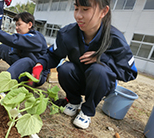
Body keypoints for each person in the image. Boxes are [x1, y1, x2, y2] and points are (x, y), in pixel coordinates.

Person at [34, 0, 138, 129]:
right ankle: (74, 101)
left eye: (85, 9)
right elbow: (53, 55)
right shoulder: (68, 33)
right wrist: (40, 64)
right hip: (78, 80)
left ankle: (87, 111)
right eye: (76, 8)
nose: (78, 15)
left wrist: (101, 58)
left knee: (98, 70)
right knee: (65, 68)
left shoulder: (115, 39)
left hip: (100, 83)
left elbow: (130, 72)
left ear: (103, 11)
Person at [0, 12, 49, 86]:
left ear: (29, 24)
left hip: (36, 76)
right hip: (23, 69)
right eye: (16, 25)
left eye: (19, 24)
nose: (16, 28)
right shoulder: (25, 36)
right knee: (4, 48)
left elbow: (14, 40)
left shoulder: (36, 38)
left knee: (27, 61)